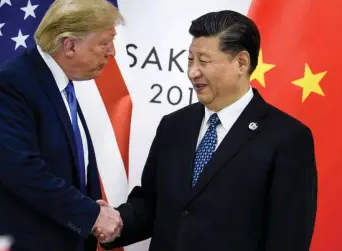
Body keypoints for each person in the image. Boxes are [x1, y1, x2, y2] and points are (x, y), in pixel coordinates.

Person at [96, 10, 317, 251]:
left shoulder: (287, 138)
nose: (193, 72)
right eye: (190, 60)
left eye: (204, 61)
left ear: (241, 63)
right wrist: (116, 223)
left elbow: (287, 237)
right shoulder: (174, 126)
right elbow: (152, 203)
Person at [0, 1, 124, 250]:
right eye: (104, 43)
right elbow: (21, 170)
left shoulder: (58, 88)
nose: (112, 53)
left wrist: (90, 215)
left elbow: (67, 170)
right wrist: (91, 215)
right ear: (70, 45)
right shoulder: (10, 85)